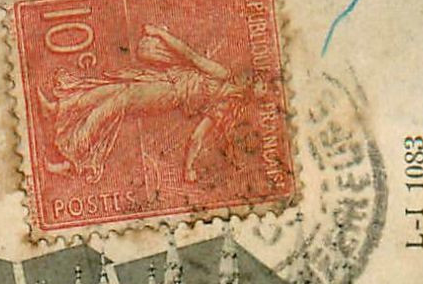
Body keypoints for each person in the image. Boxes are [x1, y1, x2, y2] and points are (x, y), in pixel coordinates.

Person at [37, 23, 264, 185]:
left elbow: (197, 137)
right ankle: (59, 109)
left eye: (256, 82)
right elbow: (190, 56)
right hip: (163, 81)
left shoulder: (225, 105)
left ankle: (72, 158)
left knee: (118, 101)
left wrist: (188, 168)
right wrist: (160, 36)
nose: (250, 78)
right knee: (114, 87)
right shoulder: (222, 75)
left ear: (249, 92)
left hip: (167, 94)